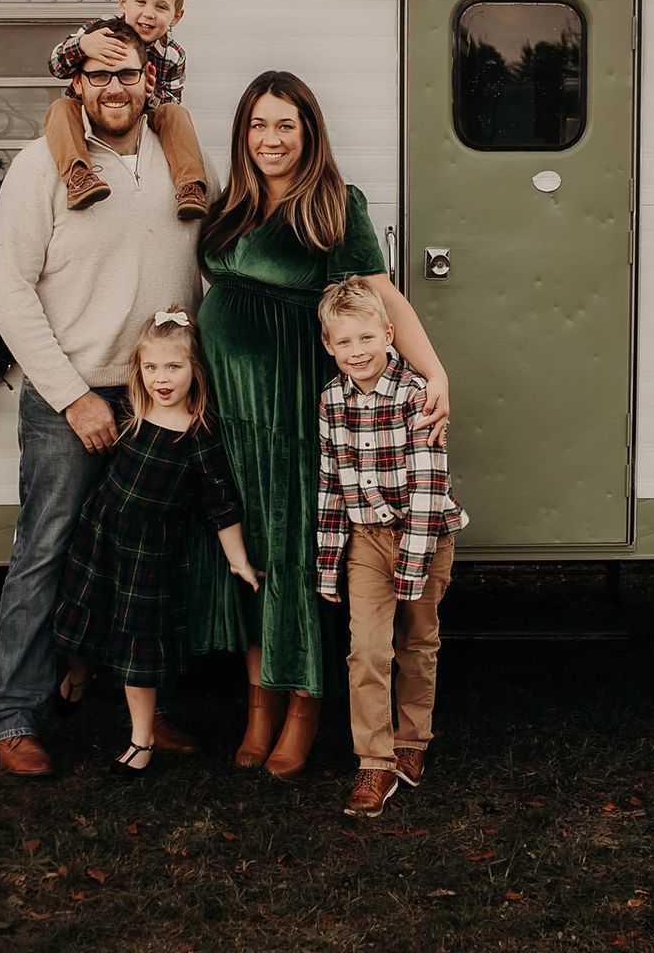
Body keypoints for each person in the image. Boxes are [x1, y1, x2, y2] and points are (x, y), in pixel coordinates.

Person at [186, 70, 452, 780]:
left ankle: (303, 707)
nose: (270, 139)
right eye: (258, 125)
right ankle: (258, 705)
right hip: (234, 417)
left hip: (296, 415)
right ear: (243, 133)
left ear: (308, 134)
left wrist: (436, 374)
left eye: (285, 126)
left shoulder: (336, 205)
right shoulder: (230, 205)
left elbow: (385, 297)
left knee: (297, 558)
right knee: (246, 555)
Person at [0, 17, 207, 778]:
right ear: (75, 84)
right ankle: (13, 714)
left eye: (128, 74)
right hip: (70, 397)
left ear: (153, 81)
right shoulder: (42, 167)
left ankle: (146, 712)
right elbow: (6, 292)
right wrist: (75, 397)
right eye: (99, 75)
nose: (115, 88)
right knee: (44, 552)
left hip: (159, 398)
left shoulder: (182, 162)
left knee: (149, 559)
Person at [50, 309, 262, 775]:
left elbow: (221, 504)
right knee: (87, 615)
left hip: (150, 553)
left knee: (138, 643)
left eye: (174, 368)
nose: (161, 379)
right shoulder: (132, 411)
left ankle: (141, 739)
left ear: (195, 371)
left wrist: (239, 561)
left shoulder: (198, 433)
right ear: (138, 370)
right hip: (103, 533)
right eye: (151, 368)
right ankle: (80, 674)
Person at [314, 278, 467, 817]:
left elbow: (428, 487)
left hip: (423, 535)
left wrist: (412, 567)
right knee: (367, 651)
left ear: (389, 335)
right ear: (329, 346)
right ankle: (374, 763)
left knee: (417, 643)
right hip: (366, 541)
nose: (357, 351)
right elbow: (331, 483)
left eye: (366, 338)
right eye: (344, 342)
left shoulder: (416, 394)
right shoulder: (332, 399)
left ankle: (412, 741)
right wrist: (329, 564)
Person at [44, 0, 208, 218]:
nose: (149, 13)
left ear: (176, 16)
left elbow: (172, 103)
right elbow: (56, 66)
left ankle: (191, 186)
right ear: (123, 1)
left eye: (161, 7)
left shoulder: (173, 54)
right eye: (140, 2)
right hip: (90, 111)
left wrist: (153, 93)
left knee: (178, 115)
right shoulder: (98, 31)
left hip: (141, 118)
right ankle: (78, 176)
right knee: (60, 108)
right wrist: (83, 46)